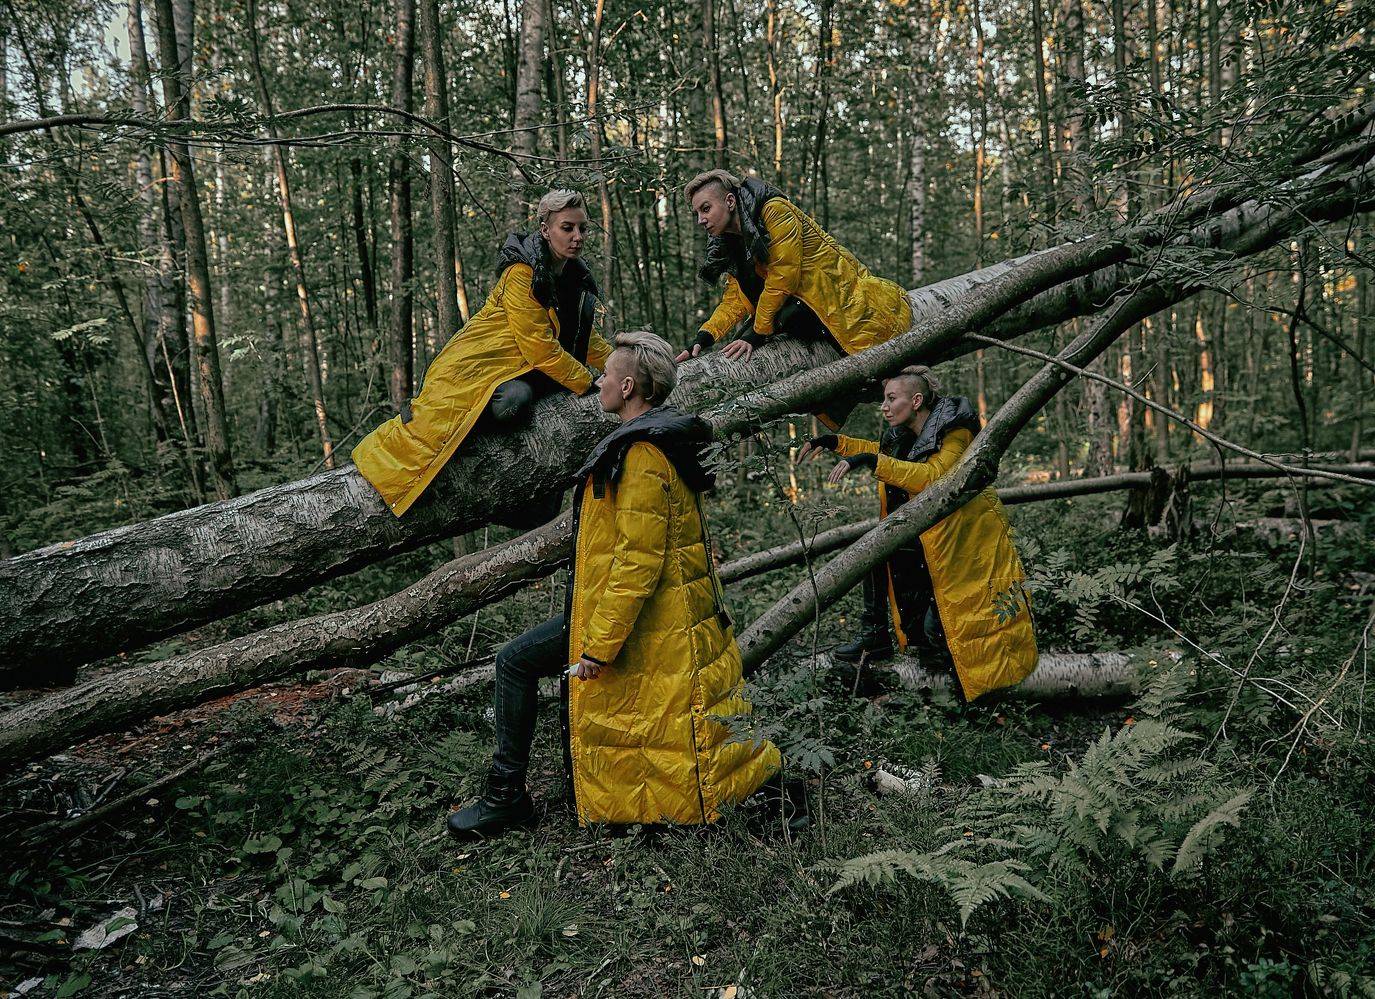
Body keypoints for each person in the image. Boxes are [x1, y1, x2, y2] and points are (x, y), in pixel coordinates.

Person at [448, 331, 783, 837]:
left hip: (648, 616)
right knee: (519, 662)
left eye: (606, 374)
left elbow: (637, 563)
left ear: (627, 387)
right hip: (658, 612)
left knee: (513, 662)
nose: (599, 381)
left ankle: (505, 797)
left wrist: (598, 647)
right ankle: (510, 794)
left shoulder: (643, 453)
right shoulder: (659, 440)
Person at [353, 189, 612, 520]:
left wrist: (622, 364)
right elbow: (540, 348)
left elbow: (583, 337)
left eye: (582, 228)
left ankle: (521, 505)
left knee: (540, 402)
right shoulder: (522, 275)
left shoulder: (572, 276)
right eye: (567, 228)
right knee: (508, 403)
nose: (577, 237)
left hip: (518, 370)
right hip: (476, 369)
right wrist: (587, 381)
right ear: (545, 230)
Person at [797, 366, 1039, 702]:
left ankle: (979, 692)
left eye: (891, 399)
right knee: (877, 554)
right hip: (932, 537)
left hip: (967, 541)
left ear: (916, 400)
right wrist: (835, 443)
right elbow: (883, 451)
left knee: (952, 628)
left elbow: (934, 476)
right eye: (884, 400)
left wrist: (870, 461)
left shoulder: (956, 432)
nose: (884, 407)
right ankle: (876, 636)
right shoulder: (905, 433)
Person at [675, 169, 911, 429]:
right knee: (747, 337)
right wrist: (704, 337)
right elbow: (735, 298)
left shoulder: (774, 211)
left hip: (831, 299)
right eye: (697, 213)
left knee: (878, 378)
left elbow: (783, 276)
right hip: (797, 308)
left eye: (706, 209)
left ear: (730, 201)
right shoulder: (730, 241)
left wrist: (756, 333)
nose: (701, 220)